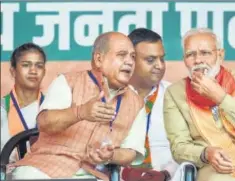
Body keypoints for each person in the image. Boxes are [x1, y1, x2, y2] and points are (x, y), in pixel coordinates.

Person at [9, 32, 147, 180]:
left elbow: (131, 152)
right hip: (45, 166)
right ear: (99, 59)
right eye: (122, 55)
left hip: (93, 174)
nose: (130, 62)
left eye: (133, 57)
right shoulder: (68, 82)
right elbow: (45, 122)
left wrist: (110, 155)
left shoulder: (136, 103)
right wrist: (81, 112)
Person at [164, 28, 235, 181]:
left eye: (205, 53)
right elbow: (179, 147)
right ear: (184, 59)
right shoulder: (175, 93)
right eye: (190, 54)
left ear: (220, 55)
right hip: (214, 167)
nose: (198, 60)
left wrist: (221, 98)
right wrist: (206, 153)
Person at [121, 28, 178, 181]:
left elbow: (187, 148)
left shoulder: (175, 96)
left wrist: (166, 174)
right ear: (130, 59)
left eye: (162, 59)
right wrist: (123, 173)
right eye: (151, 60)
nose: (160, 66)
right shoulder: (110, 96)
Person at [1, 43, 46, 153]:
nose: (33, 71)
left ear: (44, 72)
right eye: (26, 65)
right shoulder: (2, 108)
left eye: (39, 66)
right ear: (13, 71)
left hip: (44, 168)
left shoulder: (52, 107)